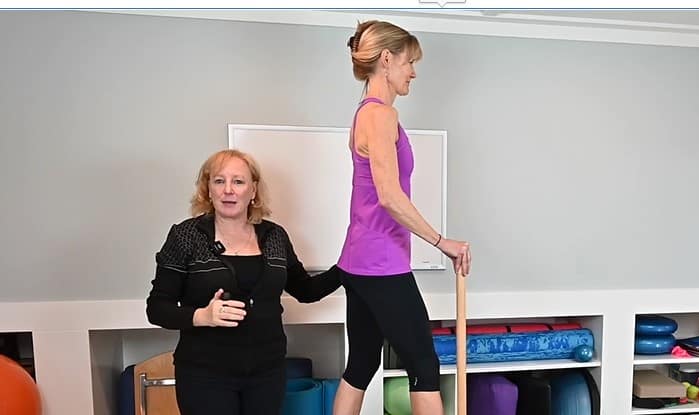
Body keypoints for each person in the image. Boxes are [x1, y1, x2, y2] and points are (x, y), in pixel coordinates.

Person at [332, 20, 472, 415]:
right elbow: (390, 197)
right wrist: (442, 242)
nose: (413, 72)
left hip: (358, 263)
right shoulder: (380, 117)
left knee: (361, 365)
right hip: (382, 264)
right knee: (424, 367)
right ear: (387, 59)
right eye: (409, 62)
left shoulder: (364, 114)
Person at [146, 149, 342, 415]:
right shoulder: (185, 236)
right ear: (208, 189)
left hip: (267, 373)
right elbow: (157, 308)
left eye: (238, 181)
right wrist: (202, 316)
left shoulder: (275, 236)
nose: (228, 190)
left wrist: (347, 267)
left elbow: (305, 290)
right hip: (205, 375)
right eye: (219, 181)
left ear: (253, 191)